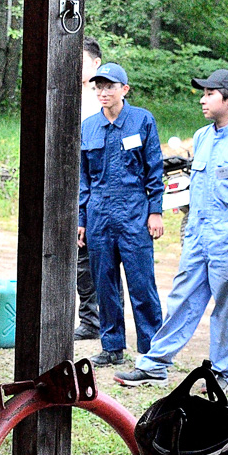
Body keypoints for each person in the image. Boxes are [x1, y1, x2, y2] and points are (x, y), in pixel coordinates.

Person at [116, 70, 228, 389]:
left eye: (209, 94)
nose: (202, 99)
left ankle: (221, 373)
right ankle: (155, 364)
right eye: (202, 94)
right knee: (181, 300)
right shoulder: (202, 137)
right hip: (198, 236)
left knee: (227, 309)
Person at [77, 63, 165, 368]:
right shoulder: (88, 127)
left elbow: (154, 168)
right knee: (105, 284)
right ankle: (111, 346)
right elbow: (83, 178)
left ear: (124, 90)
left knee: (142, 282)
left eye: (110, 87)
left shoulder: (142, 121)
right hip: (99, 214)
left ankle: (152, 349)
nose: (103, 92)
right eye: (99, 87)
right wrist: (81, 220)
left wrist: (155, 211)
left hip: (134, 214)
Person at [76, 36, 105, 343]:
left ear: (96, 63)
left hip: (98, 184)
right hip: (72, 181)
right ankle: (90, 319)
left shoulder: (103, 97)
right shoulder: (67, 93)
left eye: (80, 61)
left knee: (100, 252)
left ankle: (103, 320)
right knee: (79, 253)